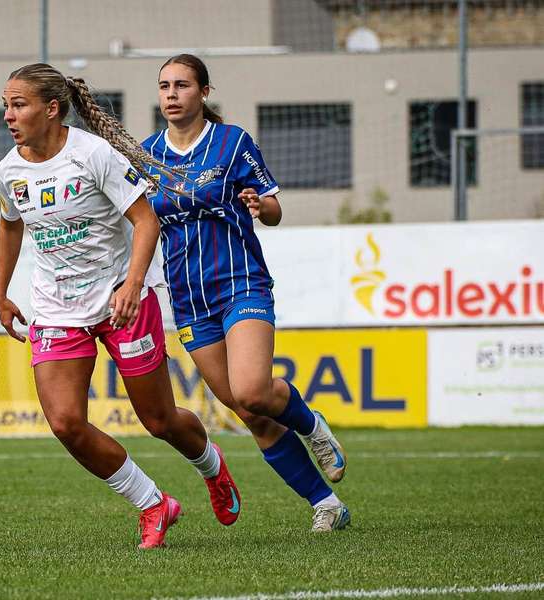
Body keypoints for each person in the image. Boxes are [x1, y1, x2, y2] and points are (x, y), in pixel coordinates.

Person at [0, 63, 241, 549]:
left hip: (122, 302)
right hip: (56, 309)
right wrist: (0, 292)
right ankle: (153, 503)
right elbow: (9, 225)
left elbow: (147, 222)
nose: (9, 115)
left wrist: (131, 286)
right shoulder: (9, 170)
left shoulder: (94, 154)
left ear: (52, 109)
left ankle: (212, 466)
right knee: (66, 423)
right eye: (6, 105)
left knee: (159, 420)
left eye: (18, 105)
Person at [141, 54, 351, 532]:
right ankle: (326, 504)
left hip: (241, 283)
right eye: (164, 86)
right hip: (189, 299)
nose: (172, 94)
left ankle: (312, 425)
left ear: (204, 92)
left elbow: (274, 210)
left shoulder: (232, 142)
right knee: (248, 412)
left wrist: (260, 205)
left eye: (182, 85)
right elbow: (143, 222)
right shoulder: (147, 155)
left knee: (252, 390)